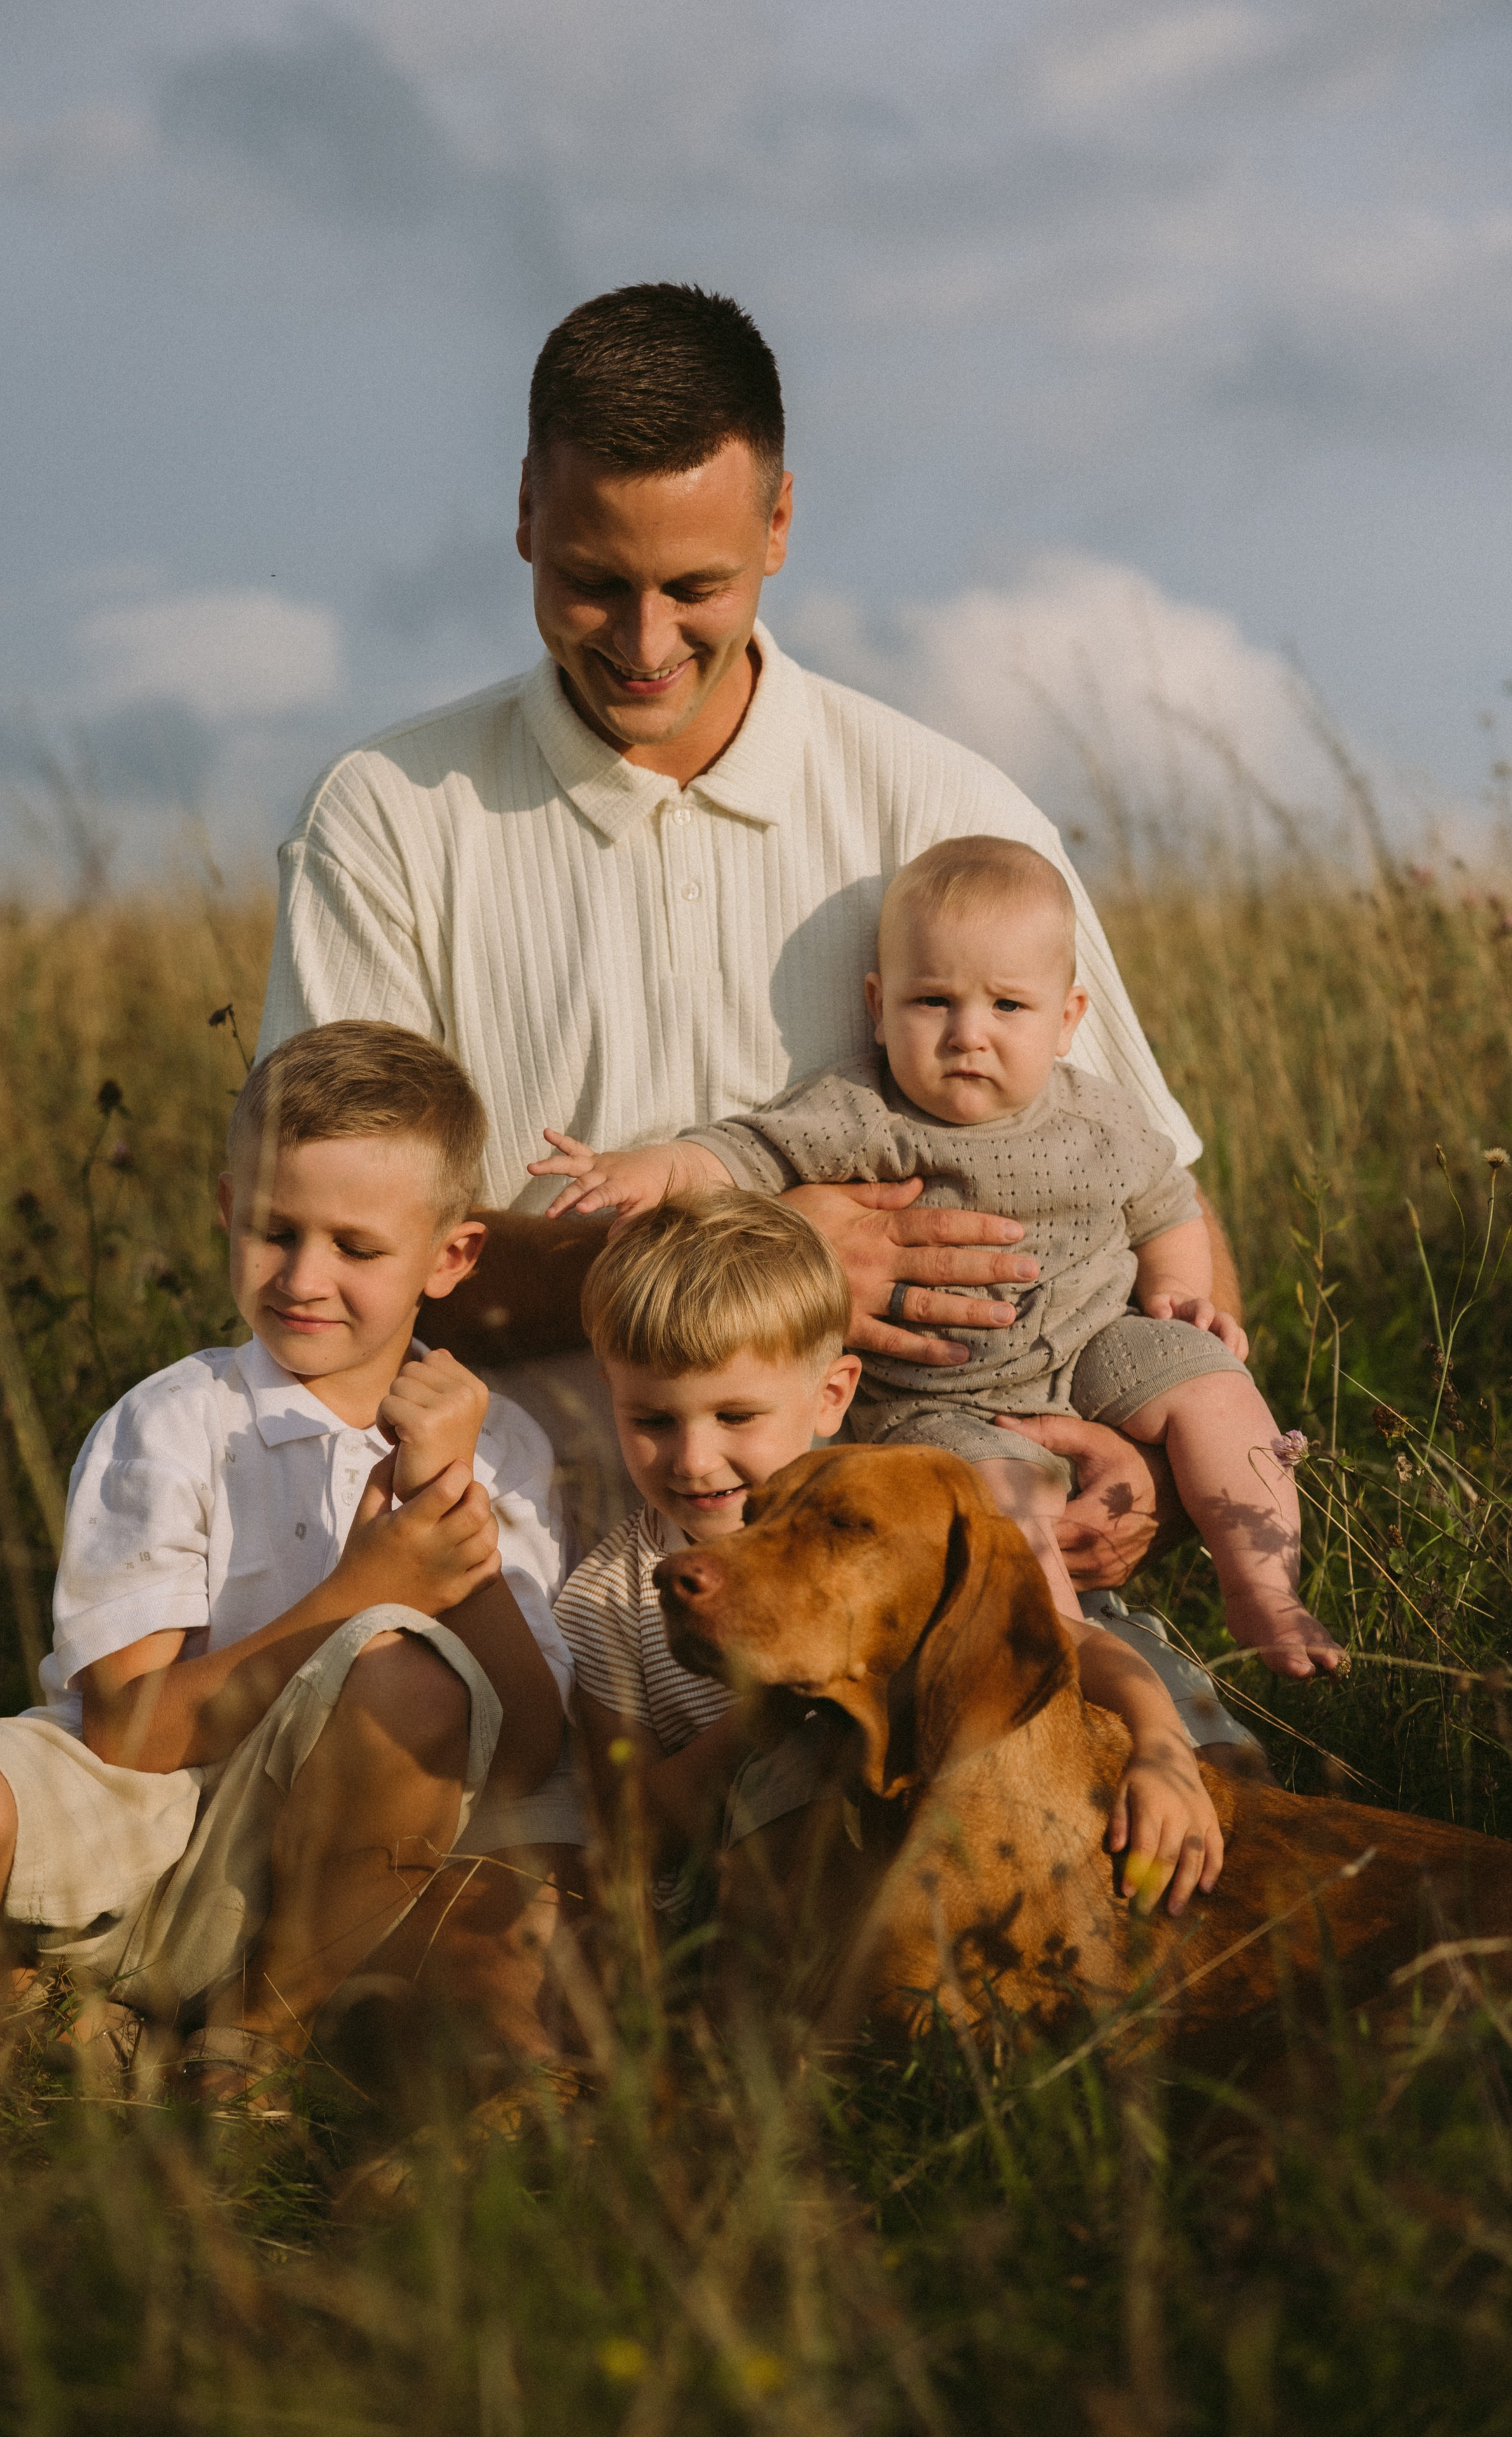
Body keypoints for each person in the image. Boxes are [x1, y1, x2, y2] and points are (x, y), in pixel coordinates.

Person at [257, 280, 1233, 1592]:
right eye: (592, 583)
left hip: (911, 1569)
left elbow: (1153, 1197)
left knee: (1157, 1732)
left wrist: (1147, 1467)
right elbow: (329, 1274)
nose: (644, 642)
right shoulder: (383, 817)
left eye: (694, 586)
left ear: (777, 524)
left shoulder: (952, 814)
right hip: (512, 1569)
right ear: (525, 513)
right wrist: (768, 1252)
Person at [0, 1022, 576, 2101]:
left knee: (412, 1682)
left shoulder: (501, 1449)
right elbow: (125, 1735)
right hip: (131, 1823)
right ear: (225, 1208)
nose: (304, 1277)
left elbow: (529, 1751)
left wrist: (451, 1522)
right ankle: (12, 2004)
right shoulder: (172, 1421)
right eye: (272, 1230)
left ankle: (250, 2044)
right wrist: (361, 1590)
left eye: (356, 1248)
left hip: (340, 1881)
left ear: (452, 1257)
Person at [535, 836, 1344, 1682]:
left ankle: (1262, 1587)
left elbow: (1167, 1206)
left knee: (1215, 1386)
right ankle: (1069, 1666)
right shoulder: (862, 1110)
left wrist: (1179, 1293)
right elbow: (743, 1153)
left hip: (1097, 1343)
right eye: (932, 1002)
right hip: (939, 1399)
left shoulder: (1102, 1119)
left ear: (1068, 1019)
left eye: (1007, 1006)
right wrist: (649, 1171)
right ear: (879, 1007)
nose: (968, 1035)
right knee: (997, 1508)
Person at [556, 1191, 1224, 1921]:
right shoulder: (607, 1600)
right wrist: (770, 1708)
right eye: (653, 1420)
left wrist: (1163, 1747)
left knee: (1199, 1759)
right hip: (757, 1911)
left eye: (736, 1415)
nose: (693, 1459)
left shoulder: (890, 1517)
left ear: (831, 1394)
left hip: (961, 1849)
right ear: (610, 1396)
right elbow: (630, 1832)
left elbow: (1073, 1642)